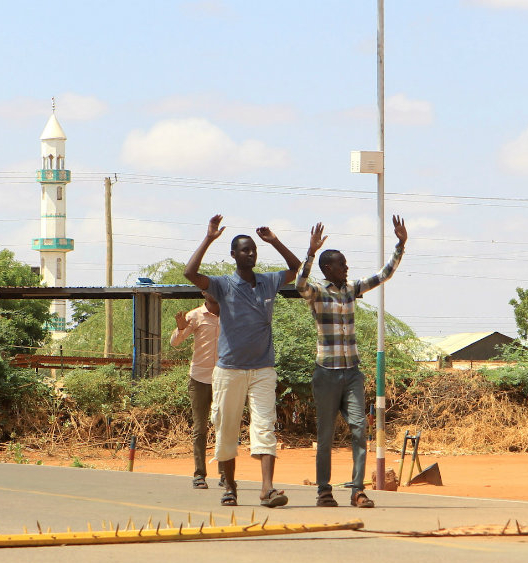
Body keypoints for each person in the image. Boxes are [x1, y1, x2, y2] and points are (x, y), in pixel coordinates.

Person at [184, 215, 301, 507]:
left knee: (265, 427)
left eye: (254, 250)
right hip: (229, 370)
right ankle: (231, 486)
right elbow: (190, 273)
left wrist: (274, 241)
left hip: (263, 369)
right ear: (233, 255)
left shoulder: (268, 281)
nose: (251, 253)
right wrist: (209, 238)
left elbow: (297, 268)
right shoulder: (222, 285)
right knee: (226, 428)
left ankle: (267, 489)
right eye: (245, 250)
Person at [296, 216, 407, 508]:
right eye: (343, 265)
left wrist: (400, 244)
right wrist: (310, 251)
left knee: (360, 428)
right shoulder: (318, 293)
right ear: (328, 268)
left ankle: (358, 490)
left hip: (351, 374)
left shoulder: (351, 290)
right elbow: (299, 283)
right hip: (326, 374)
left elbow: (383, 275)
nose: (347, 269)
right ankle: (324, 490)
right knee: (326, 434)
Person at [168, 291, 220, 489]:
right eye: (210, 288)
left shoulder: (230, 314)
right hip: (199, 379)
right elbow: (175, 342)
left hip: (223, 379)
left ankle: (225, 474)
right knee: (200, 429)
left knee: (224, 427)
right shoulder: (195, 315)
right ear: (204, 292)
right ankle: (199, 474)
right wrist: (180, 329)